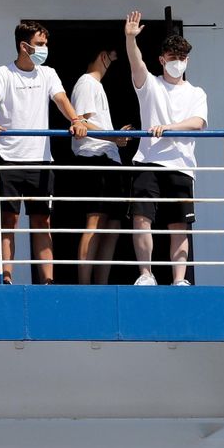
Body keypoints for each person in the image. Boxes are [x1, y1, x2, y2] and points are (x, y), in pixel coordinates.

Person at [0, 20, 90, 284]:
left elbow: (61, 99)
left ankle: (47, 281)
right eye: (40, 44)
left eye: (45, 43)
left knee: (43, 221)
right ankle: (6, 278)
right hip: (8, 158)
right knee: (9, 221)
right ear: (24, 46)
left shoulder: (48, 73)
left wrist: (76, 120)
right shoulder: (2, 74)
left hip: (41, 160)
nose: (44, 48)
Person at [123, 11, 207, 286]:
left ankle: (179, 279)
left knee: (179, 225)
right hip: (148, 160)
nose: (177, 63)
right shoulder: (150, 85)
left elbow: (198, 122)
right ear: (162, 60)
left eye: (182, 58)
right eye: (173, 58)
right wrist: (130, 39)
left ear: (188, 61)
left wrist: (169, 127)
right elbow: (136, 64)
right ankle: (145, 274)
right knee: (141, 218)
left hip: (181, 165)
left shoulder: (196, 92)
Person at [70, 46, 133, 284]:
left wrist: (115, 138)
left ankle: (101, 285)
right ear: (103, 56)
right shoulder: (87, 83)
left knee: (113, 225)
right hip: (94, 157)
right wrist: (113, 136)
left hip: (110, 158)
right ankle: (85, 286)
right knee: (95, 221)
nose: (113, 64)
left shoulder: (95, 85)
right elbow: (80, 123)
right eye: (113, 58)